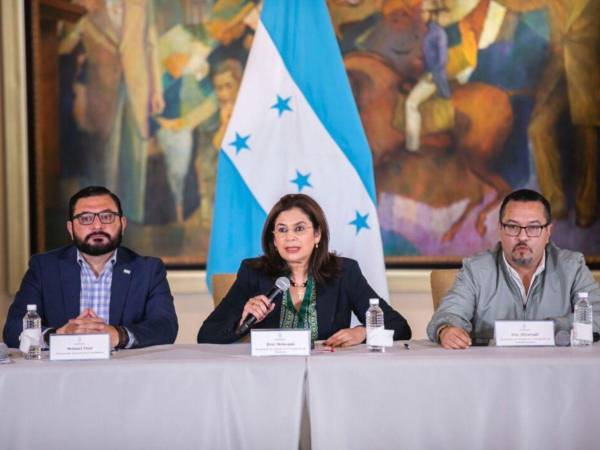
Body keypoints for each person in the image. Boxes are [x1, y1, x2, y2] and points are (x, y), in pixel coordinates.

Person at [197, 193, 411, 346]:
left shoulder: (344, 271)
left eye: (299, 229)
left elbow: (400, 327)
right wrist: (242, 319)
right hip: (266, 377)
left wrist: (362, 332)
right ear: (274, 238)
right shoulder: (253, 272)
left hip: (329, 377)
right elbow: (206, 334)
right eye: (282, 230)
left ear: (317, 235)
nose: (290, 237)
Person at [2, 186, 178, 349]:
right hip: (59, 375)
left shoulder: (148, 270)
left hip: (125, 374)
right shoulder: (44, 268)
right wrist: (58, 335)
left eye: (107, 216)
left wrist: (119, 335)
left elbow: (165, 327)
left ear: (123, 224)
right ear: (70, 228)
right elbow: (13, 328)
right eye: (86, 218)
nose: (97, 226)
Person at [427, 189, 600, 349]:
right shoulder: (476, 269)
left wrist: (550, 327)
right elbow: (448, 313)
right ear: (500, 229)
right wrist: (446, 329)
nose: (522, 237)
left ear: (548, 231)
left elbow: (597, 315)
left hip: (558, 372)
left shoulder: (572, 266)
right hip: (490, 372)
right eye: (512, 227)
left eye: (533, 227)